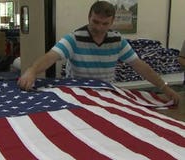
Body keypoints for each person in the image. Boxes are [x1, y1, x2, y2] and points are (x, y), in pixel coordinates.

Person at [17, 1, 180, 105]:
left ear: (112, 22)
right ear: (89, 17)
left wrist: (164, 87)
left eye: (105, 24)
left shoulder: (117, 40)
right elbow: (50, 57)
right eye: (95, 21)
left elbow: (141, 67)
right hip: (78, 93)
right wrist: (32, 70)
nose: (99, 28)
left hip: (106, 93)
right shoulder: (74, 38)